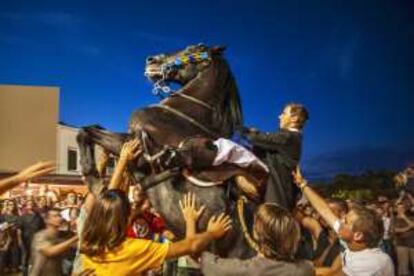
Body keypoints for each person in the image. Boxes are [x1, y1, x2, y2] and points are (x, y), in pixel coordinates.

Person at [80, 189, 231, 275]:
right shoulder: (132, 249)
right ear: (125, 218)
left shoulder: (88, 242)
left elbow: (107, 206)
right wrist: (211, 232)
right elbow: (190, 246)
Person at [293, 167, 395, 276]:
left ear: (358, 235)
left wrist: (287, 270)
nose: (340, 221)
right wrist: (302, 184)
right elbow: (324, 210)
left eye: (345, 221)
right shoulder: (351, 239)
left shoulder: (371, 263)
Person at [199, 202, 314, 276]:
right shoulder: (306, 269)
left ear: (256, 234)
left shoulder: (239, 270)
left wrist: (209, 233)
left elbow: (195, 253)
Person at [246, 103, 309, 209]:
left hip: (276, 199)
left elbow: (257, 139)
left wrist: (249, 131)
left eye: (284, 113)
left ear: (294, 118)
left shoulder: (288, 137)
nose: (279, 116)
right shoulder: (291, 138)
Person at [29, 208, 78, 276]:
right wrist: (76, 238)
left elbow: (79, 246)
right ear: (47, 220)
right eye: (55, 216)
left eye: (60, 216)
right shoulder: (40, 236)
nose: (59, 218)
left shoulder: (61, 235)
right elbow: (50, 251)